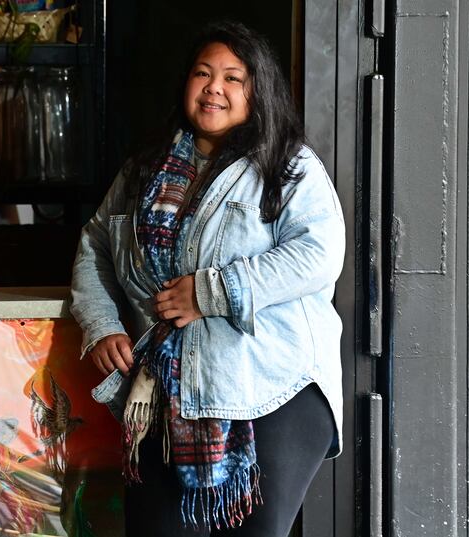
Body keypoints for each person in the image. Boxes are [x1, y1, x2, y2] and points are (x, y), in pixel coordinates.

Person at [70, 20, 345, 537]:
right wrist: (103, 323)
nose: (214, 87)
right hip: (166, 396)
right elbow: (95, 247)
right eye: (203, 73)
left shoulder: (288, 166)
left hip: (272, 387)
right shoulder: (143, 171)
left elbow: (319, 254)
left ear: (257, 91)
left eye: (233, 78)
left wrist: (211, 291)